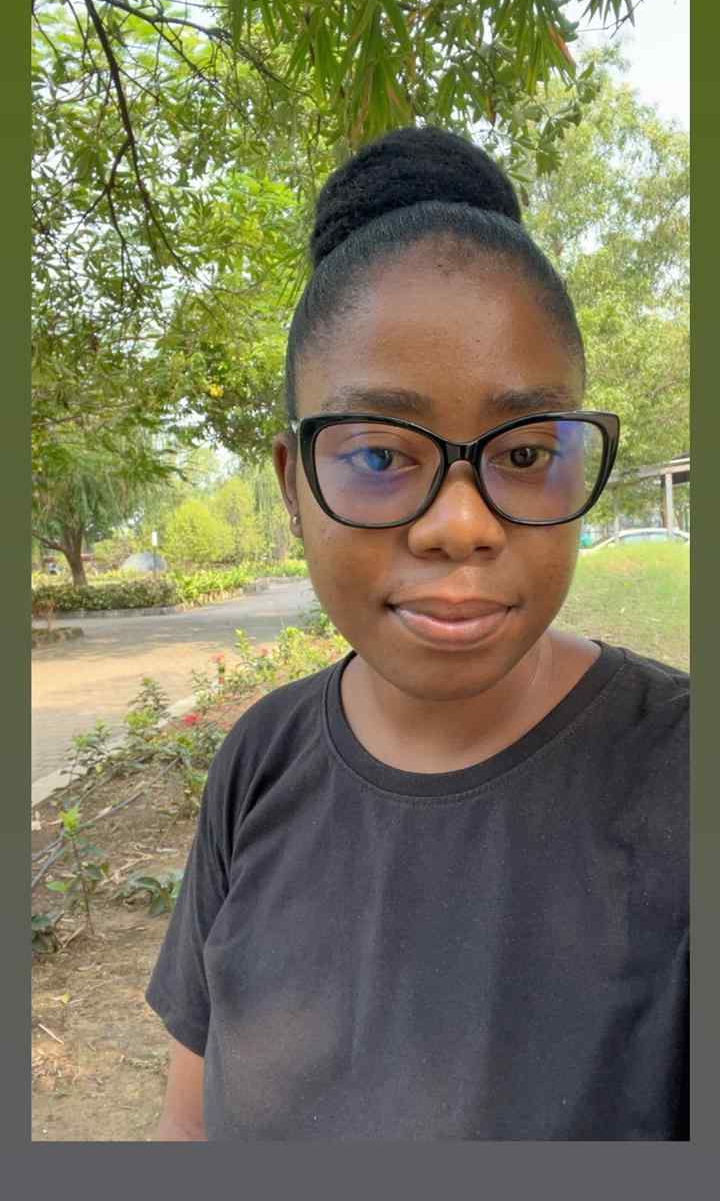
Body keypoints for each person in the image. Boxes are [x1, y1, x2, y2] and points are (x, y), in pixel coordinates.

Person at [146, 126, 688, 1141]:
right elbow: (188, 1123)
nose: (461, 524)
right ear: (293, 486)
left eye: (524, 453)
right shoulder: (258, 762)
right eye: (379, 455)